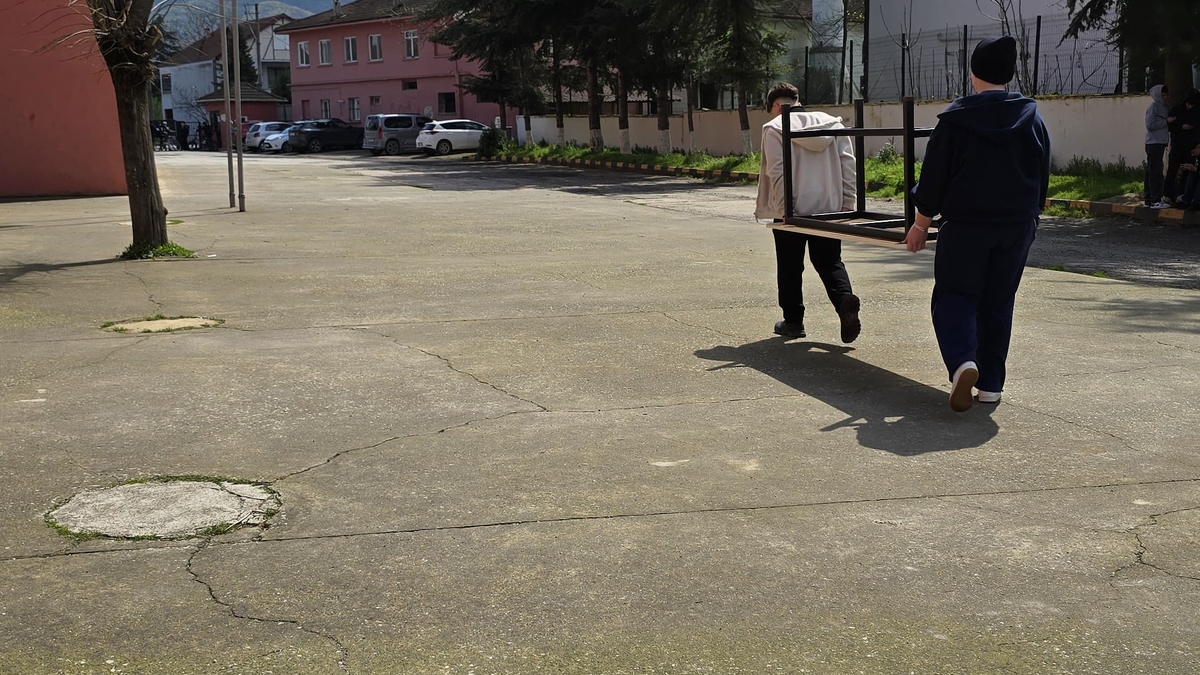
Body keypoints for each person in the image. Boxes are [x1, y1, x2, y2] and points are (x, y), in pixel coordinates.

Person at [903, 36, 1051, 412]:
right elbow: (1043, 173)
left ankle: (962, 362)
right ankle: (991, 386)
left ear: (973, 74)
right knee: (998, 302)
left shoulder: (956, 122)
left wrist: (920, 225)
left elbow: (934, 179)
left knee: (955, 295)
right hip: (1017, 225)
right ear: (1011, 74)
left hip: (967, 226)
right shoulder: (1033, 119)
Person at [755, 82, 861, 343]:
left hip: (793, 209)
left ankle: (793, 322)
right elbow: (848, 163)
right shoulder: (832, 123)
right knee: (829, 261)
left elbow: (777, 172)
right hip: (829, 206)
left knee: (790, 265)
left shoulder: (775, 128)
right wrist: (848, 202)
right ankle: (844, 300)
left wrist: (782, 210)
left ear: (777, 107)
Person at [1164, 89, 1200, 204]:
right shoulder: (1177, 110)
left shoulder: (1197, 111)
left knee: (1188, 171)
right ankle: (1167, 195)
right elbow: (1170, 125)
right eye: (1189, 103)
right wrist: (1181, 126)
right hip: (1177, 144)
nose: (1190, 106)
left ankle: (1182, 195)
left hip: (1191, 146)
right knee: (1172, 170)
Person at [1145, 84, 1172, 209]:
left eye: (1166, 95)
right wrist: (1166, 121)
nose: (1166, 97)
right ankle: (1155, 200)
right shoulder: (1154, 106)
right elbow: (1150, 124)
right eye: (1163, 95)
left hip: (1159, 142)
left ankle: (1149, 199)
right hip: (1154, 143)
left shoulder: (1164, 107)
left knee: (1151, 171)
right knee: (1155, 172)